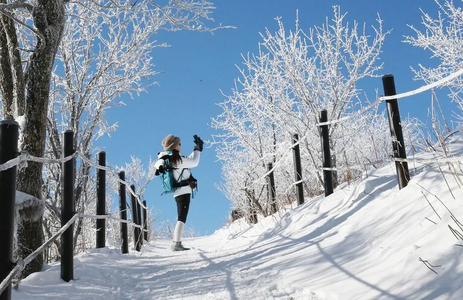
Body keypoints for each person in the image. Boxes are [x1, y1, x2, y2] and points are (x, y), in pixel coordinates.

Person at [160, 134, 203, 251]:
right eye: (179, 144)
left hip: (180, 192)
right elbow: (194, 163)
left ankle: (177, 243)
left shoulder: (175, 159)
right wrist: (197, 150)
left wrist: (196, 150)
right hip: (183, 192)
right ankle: (176, 244)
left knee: (182, 217)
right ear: (174, 146)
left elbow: (188, 161)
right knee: (181, 218)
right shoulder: (176, 160)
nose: (180, 145)